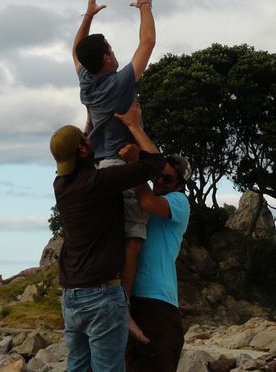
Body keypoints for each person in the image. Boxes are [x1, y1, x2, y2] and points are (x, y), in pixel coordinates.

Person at [72, 0, 157, 340]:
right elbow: (148, 44)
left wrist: (88, 16)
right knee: (134, 237)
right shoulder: (116, 84)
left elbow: (76, 52)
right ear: (106, 58)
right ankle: (124, 310)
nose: (113, 52)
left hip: (96, 171)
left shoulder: (86, 83)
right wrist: (145, 7)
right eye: (109, 49)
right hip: (120, 167)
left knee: (110, 239)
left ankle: (108, 305)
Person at [50, 111, 165, 372]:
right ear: (80, 150)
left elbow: (83, 156)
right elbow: (155, 164)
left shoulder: (61, 185)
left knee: (77, 368)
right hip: (101, 297)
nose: (90, 141)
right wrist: (134, 126)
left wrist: (89, 130)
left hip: (71, 296)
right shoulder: (97, 183)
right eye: (85, 140)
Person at [115, 102, 191, 372]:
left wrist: (136, 165)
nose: (158, 182)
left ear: (180, 185)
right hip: (130, 301)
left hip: (158, 307)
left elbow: (146, 201)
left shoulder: (179, 202)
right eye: (157, 177)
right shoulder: (146, 197)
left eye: (166, 180)